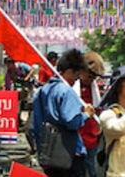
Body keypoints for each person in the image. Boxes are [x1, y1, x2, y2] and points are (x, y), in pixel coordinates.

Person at [30, 48, 96, 177]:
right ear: (70, 72)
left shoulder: (42, 91)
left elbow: (34, 126)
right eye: (76, 77)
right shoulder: (66, 91)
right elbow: (72, 121)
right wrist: (86, 115)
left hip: (48, 154)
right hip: (69, 156)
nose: (75, 81)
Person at [73, 51, 104, 177]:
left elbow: (99, 109)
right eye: (89, 75)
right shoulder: (71, 88)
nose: (91, 79)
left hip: (92, 136)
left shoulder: (94, 89)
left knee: (92, 169)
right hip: (76, 136)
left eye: (94, 77)